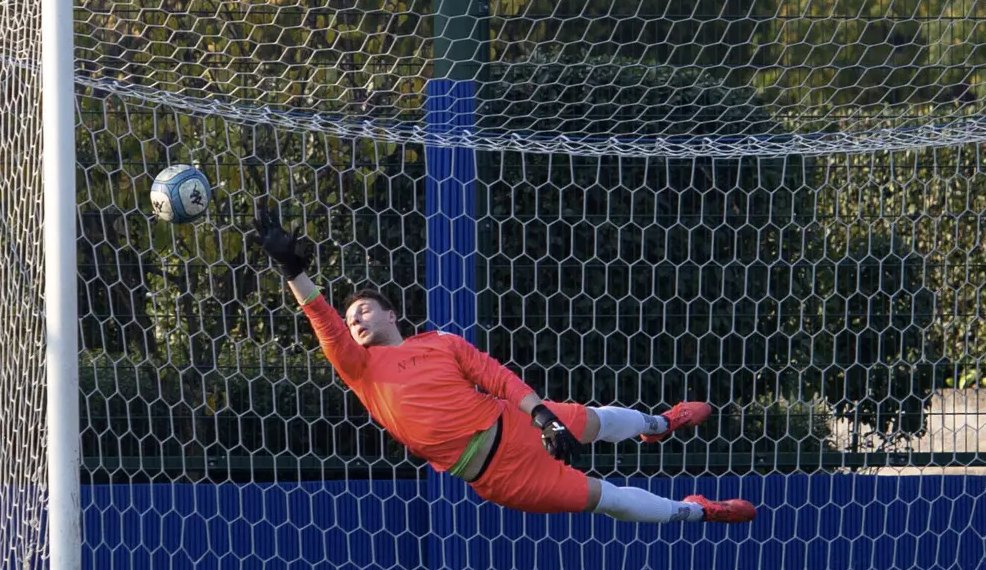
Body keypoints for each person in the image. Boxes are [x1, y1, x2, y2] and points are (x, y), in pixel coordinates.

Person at [251, 208, 756, 525]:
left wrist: (540, 415)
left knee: (597, 420)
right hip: (499, 476)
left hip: (514, 422)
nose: (353, 317)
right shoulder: (358, 366)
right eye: (350, 314)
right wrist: (292, 269)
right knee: (613, 501)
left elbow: (494, 375)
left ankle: (661, 424)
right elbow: (321, 319)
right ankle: (699, 510)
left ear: (392, 314)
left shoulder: (439, 343)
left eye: (364, 308)